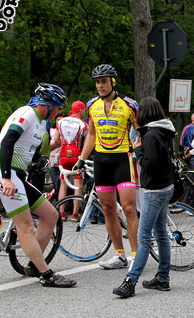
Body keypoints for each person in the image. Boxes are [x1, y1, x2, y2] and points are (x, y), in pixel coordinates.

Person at [0, 83, 76, 287]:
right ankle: (46, 274)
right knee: (25, 225)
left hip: (18, 173)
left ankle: (35, 265)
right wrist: (6, 178)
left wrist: (39, 159)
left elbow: (29, 148)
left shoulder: (42, 123)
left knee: (51, 215)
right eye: (59, 107)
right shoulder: (26, 114)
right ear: (47, 105)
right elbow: (8, 142)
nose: (60, 111)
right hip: (3, 170)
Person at [76, 64, 139, 269]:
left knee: (129, 208)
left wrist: (140, 148)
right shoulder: (92, 105)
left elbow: (141, 131)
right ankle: (119, 254)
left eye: (104, 81)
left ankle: (136, 254)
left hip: (123, 159)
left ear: (113, 82)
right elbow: (92, 134)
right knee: (108, 208)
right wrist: (81, 158)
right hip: (102, 160)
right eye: (97, 82)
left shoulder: (129, 104)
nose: (100, 85)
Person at [113, 97, 176, 298]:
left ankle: (130, 281)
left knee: (143, 237)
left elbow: (150, 165)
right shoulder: (166, 130)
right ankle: (163, 277)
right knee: (161, 232)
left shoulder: (150, 135)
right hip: (167, 186)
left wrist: (138, 150)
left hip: (154, 190)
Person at [56, 100, 88, 220]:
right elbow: (87, 140)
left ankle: (61, 213)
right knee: (78, 184)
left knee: (63, 184)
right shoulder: (83, 124)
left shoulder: (60, 122)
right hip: (77, 155)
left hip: (64, 155)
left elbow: (56, 140)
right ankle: (75, 214)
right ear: (80, 110)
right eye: (83, 109)